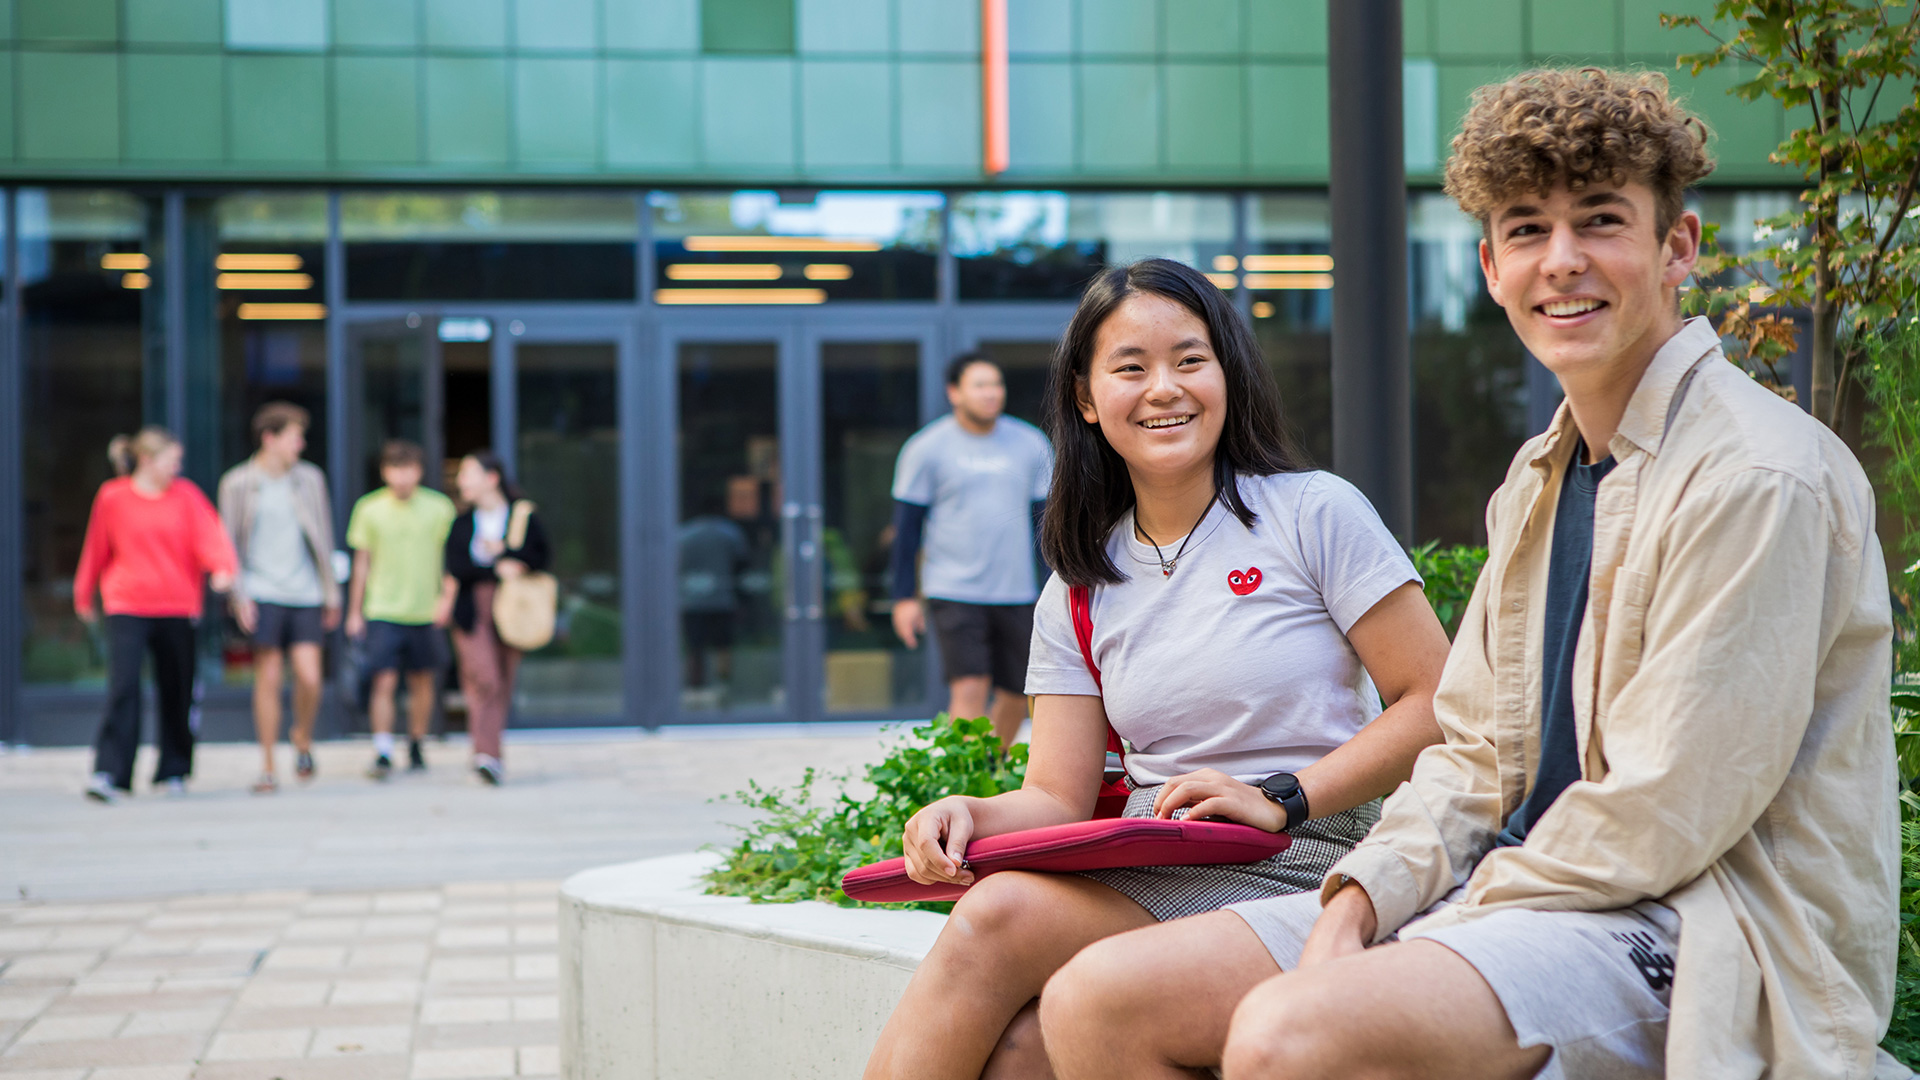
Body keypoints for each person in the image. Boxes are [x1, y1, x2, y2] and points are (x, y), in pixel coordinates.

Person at [1124, 69, 1905, 1080]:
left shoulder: (1756, 476)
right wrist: (1361, 899)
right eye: (1528, 229)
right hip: (1529, 899)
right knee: (1108, 1000)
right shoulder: (1543, 476)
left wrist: (1427, 929)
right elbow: (1475, 755)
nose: (1563, 260)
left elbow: (1664, 812)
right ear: (1491, 265)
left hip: (1703, 927)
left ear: (1679, 248)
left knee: (1295, 1033)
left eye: (1601, 220)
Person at [862, 258, 1453, 1079]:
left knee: (1023, 1008)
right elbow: (1056, 797)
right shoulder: (1079, 582)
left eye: (1189, 359)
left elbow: (1437, 700)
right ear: (1085, 397)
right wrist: (965, 811)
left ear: (1227, 373)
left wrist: (1284, 796)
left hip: (1312, 854)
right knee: (1011, 1005)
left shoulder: (1313, 511)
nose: (1164, 388)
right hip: (1155, 861)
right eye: (1131, 368)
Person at [889, 354, 1055, 746]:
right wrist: (903, 598)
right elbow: (907, 530)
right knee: (970, 685)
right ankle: (962, 780)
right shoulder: (926, 448)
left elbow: (1045, 527)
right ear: (955, 393)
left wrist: (1056, 589)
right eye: (980, 385)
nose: (991, 393)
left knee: (1020, 691)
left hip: (1016, 590)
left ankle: (990, 771)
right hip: (953, 588)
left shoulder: (1030, 443)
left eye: (996, 384)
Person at [73, 427, 238, 803]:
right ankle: (110, 772)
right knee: (124, 686)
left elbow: (211, 538)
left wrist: (223, 569)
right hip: (126, 603)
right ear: (147, 460)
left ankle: (173, 769)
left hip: (177, 605)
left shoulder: (186, 496)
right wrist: (84, 593)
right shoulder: (113, 497)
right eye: (171, 461)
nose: (176, 468)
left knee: (177, 688)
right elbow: (97, 547)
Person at [218, 402, 339, 794]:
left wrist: (331, 593)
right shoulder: (238, 483)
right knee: (268, 677)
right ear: (269, 438)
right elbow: (228, 544)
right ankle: (268, 765)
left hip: (305, 591)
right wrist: (239, 597)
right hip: (262, 591)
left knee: (310, 677)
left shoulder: (309, 480)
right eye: (293, 437)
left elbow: (324, 537)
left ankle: (302, 736)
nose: (300, 444)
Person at [345, 440, 457, 780]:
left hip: (425, 609)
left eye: (408, 469)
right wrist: (355, 610)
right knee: (384, 680)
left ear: (419, 471)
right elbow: (361, 563)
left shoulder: (439, 508)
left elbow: (451, 559)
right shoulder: (369, 509)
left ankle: (417, 741)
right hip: (383, 607)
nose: (402, 477)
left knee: (423, 681)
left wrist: (446, 598)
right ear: (385, 472)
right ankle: (382, 747)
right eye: (395, 469)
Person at [437, 450, 549, 786]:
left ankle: (488, 755)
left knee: (501, 680)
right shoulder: (461, 523)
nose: (462, 482)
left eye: (468, 473)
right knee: (486, 678)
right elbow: (456, 565)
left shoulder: (522, 516)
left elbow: (541, 555)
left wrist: (509, 557)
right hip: (473, 609)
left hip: (514, 607)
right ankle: (487, 753)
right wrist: (493, 565)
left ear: (492, 477)